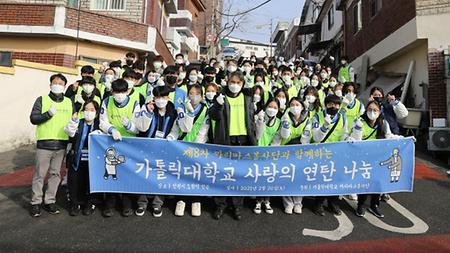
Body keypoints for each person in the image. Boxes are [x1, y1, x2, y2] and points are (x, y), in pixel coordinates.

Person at [209, 71, 257, 220]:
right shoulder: (221, 96)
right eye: (232, 82)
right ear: (227, 82)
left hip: (243, 140)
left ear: (242, 84)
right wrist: (218, 104)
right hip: (225, 139)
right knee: (224, 174)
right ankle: (220, 205)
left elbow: (251, 119)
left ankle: (237, 206)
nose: (235, 85)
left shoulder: (248, 98)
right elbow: (213, 115)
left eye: (238, 83)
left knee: (239, 175)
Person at [29, 73, 74, 217]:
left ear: (64, 87)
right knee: (39, 175)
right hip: (44, 144)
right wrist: (47, 114)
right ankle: (36, 203)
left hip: (61, 145)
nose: (57, 85)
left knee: (55, 174)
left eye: (61, 84)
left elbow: (73, 121)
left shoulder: (68, 102)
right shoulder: (42, 99)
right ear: (50, 85)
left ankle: (49, 201)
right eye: (55, 83)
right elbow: (34, 118)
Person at [99, 79, 140, 217]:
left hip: (129, 144)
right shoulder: (106, 101)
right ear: (112, 91)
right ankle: (110, 205)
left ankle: (127, 205)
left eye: (122, 92)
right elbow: (102, 122)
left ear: (127, 91)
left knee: (127, 174)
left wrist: (129, 126)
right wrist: (111, 129)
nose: (119, 95)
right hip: (111, 143)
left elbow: (138, 129)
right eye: (117, 92)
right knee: (112, 173)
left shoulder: (134, 103)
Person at [167, 84, 210, 217]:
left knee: (196, 175)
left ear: (201, 96)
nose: (194, 96)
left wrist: (196, 148)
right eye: (191, 93)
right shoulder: (181, 109)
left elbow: (204, 132)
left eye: (197, 93)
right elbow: (176, 128)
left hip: (198, 148)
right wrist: (171, 137)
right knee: (183, 175)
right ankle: (181, 200)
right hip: (181, 148)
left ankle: (196, 201)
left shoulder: (205, 111)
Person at [349, 100, 396, 218]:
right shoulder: (359, 122)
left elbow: (389, 136)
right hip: (363, 158)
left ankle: (374, 205)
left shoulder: (383, 123)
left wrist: (403, 139)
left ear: (380, 112)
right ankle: (360, 205)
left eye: (375, 110)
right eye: (370, 110)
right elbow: (355, 138)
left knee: (377, 182)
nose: (372, 112)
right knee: (364, 182)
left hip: (378, 158)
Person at [136, 86, 178, 217]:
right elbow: (141, 127)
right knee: (145, 174)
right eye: (158, 97)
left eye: (163, 97)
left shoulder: (173, 112)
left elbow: (176, 129)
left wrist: (171, 137)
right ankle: (142, 203)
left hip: (165, 149)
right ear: (154, 98)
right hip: (147, 148)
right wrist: (148, 112)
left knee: (160, 175)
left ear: (168, 98)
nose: (161, 100)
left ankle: (157, 203)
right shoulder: (147, 108)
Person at [272, 97, 311, 214]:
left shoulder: (307, 120)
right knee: (287, 177)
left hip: (300, 153)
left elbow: (306, 139)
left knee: (299, 178)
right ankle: (288, 203)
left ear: (302, 107)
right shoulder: (285, 118)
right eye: (292, 104)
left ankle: (298, 203)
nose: (295, 107)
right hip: (285, 152)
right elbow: (281, 136)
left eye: (297, 104)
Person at [311, 94, 348, 216]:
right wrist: (325, 126)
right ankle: (319, 203)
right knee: (324, 179)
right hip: (322, 153)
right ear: (326, 104)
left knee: (336, 179)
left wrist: (348, 141)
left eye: (337, 104)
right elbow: (316, 138)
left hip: (337, 153)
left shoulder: (342, 117)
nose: (334, 106)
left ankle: (333, 203)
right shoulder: (317, 116)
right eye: (331, 104)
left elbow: (344, 133)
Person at [64, 99, 100, 216]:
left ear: (96, 112)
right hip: (78, 157)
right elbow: (69, 132)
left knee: (91, 181)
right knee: (75, 181)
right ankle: (75, 203)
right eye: (86, 109)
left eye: (91, 110)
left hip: (94, 159)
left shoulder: (99, 124)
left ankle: (90, 203)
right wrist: (73, 121)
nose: (88, 112)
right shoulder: (78, 122)